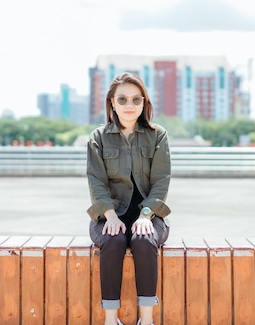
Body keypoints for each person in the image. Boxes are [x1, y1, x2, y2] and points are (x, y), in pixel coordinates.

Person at [87, 72, 171, 325]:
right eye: (122, 99)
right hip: (109, 214)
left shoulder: (157, 135)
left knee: (144, 240)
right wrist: (110, 216)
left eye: (136, 99)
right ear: (112, 102)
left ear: (144, 102)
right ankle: (111, 319)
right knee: (113, 241)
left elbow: (161, 181)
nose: (129, 105)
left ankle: (146, 319)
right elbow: (96, 182)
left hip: (149, 215)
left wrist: (146, 215)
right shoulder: (98, 138)